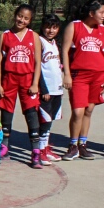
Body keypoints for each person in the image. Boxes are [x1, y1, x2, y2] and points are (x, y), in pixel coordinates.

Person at [61, 0, 104, 161]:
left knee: (88, 111)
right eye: (101, 12)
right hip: (79, 75)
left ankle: (83, 144)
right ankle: (73, 145)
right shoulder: (74, 26)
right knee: (78, 112)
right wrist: (67, 74)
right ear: (91, 13)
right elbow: (65, 50)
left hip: (98, 76)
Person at [0, 4, 43, 168]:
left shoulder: (33, 36)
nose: (21, 20)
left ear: (30, 21)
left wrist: (35, 82)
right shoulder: (5, 35)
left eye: (26, 18)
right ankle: (5, 146)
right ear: (15, 15)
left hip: (27, 79)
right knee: (6, 111)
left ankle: (36, 151)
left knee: (31, 112)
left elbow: (37, 62)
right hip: (9, 77)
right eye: (20, 16)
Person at [37, 14, 64, 164]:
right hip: (46, 90)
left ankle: (46, 147)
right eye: (48, 27)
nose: (51, 30)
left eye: (54, 27)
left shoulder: (55, 43)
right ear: (42, 27)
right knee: (44, 120)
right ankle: (40, 150)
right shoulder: (40, 42)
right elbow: (38, 68)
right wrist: (44, 89)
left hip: (57, 89)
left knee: (51, 120)